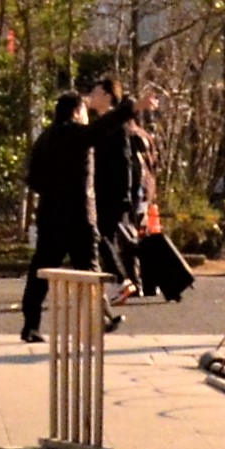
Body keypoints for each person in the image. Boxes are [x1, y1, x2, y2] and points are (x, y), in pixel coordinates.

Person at [21, 89, 102, 344]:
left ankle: (30, 325)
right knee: (88, 270)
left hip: (50, 213)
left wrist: (50, 191)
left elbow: (32, 177)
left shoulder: (44, 137)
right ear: (77, 112)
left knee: (41, 271)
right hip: (78, 215)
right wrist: (129, 108)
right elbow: (104, 127)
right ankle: (94, 322)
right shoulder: (77, 134)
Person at [91, 89, 157, 306]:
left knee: (107, 236)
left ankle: (126, 281)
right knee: (120, 238)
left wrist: (128, 193)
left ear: (109, 97)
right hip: (106, 192)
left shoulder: (118, 125)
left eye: (97, 92)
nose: (92, 95)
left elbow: (128, 164)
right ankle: (137, 278)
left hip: (116, 193)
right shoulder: (101, 123)